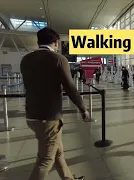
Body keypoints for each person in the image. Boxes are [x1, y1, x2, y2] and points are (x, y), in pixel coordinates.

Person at [20, 27, 88, 180]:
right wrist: (83, 108)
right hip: (49, 117)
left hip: (31, 115)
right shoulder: (58, 59)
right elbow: (70, 87)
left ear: (38, 42)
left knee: (57, 152)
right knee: (45, 160)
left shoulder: (26, 59)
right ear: (56, 43)